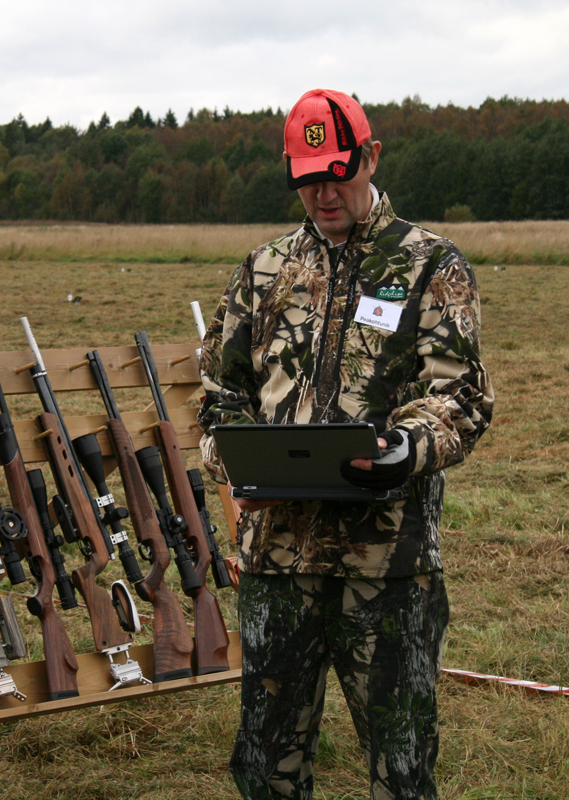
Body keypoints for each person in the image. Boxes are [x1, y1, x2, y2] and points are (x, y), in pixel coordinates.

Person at [196, 89, 494, 800]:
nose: (324, 193)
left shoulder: (430, 266)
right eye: (307, 177)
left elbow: (460, 398)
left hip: (385, 564)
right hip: (275, 558)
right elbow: (220, 395)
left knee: (400, 767)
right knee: (266, 767)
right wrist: (229, 457)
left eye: (338, 172)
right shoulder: (262, 272)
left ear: (370, 156)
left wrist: (404, 450)